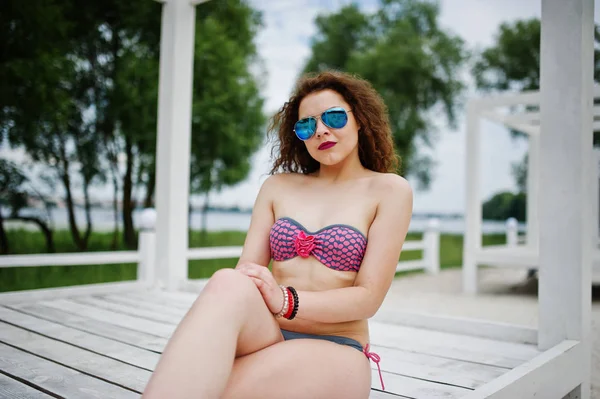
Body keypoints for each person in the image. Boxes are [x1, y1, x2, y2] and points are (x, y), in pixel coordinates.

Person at [142, 70, 413, 399]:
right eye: (307, 125)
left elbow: (368, 298)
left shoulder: (389, 190)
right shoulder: (277, 187)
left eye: (334, 117)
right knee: (228, 281)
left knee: (210, 390)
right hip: (266, 333)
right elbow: (248, 275)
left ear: (360, 120)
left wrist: (285, 300)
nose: (321, 130)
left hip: (337, 348)